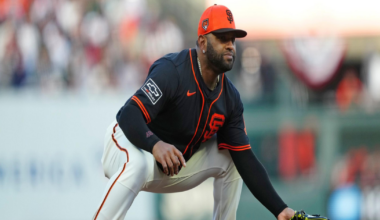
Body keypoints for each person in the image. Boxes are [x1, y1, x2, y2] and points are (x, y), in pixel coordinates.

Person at [93, 4, 295, 220]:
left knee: (233, 159)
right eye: (222, 38)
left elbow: (245, 157)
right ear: (202, 43)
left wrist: (280, 209)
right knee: (137, 164)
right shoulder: (173, 70)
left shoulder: (230, 98)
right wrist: (155, 145)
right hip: (130, 144)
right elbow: (129, 114)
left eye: (232, 40)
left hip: (172, 165)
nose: (230, 46)